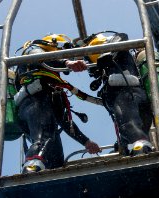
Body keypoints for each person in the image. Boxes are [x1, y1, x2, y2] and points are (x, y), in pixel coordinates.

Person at [14, 34, 101, 174]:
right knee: (43, 137)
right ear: (54, 44)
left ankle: (51, 173)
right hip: (34, 101)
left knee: (55, 154)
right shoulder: (34, 50)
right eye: (64, 51)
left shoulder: (53, 86)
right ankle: (31, 166)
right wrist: (66, 63)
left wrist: (86, 142)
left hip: (43, 104)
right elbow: (42, 59)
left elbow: (65, 121)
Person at [80, 32, 154, 156]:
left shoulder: (115, 48)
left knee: (128, 124)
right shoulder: (116, 63)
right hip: (138, 95)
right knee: (132, 126)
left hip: (125, 94)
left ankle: (140, 146)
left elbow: (123, 36)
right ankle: (129, 147)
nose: (89, 66)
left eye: (87, 58)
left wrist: (107, 53)